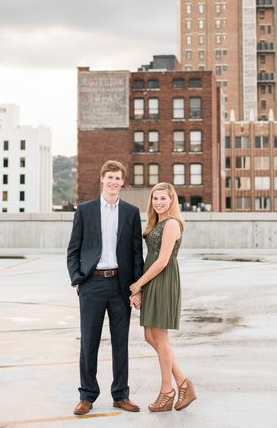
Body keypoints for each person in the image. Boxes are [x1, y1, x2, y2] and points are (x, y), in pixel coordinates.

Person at [67, 160, 143, 415]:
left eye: (117, 178)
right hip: (92, 284)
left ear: (123, 182)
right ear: (102, 180)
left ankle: (121, 395)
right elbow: (73, 250)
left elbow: (136, 254)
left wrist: (137, 288)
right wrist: (78, 279)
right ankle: (87, 396)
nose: (113, 182)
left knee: (121, 342)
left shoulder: (131, 213)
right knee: (89, 342)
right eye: (109, 177)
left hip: (121, 285)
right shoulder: (85, 210)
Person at [129, 182, 196, 412]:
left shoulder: (171, 224)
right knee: (150, 336)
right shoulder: (156, 222)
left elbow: (162, 261)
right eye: (155, 198)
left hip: (163, 279)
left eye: (163, 199)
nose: (159, 202)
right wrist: (142, 287)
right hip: (153, 279)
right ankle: (184, 382)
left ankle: (167, 391)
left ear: (171, 200)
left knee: (161, 338)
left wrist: (138, 285)